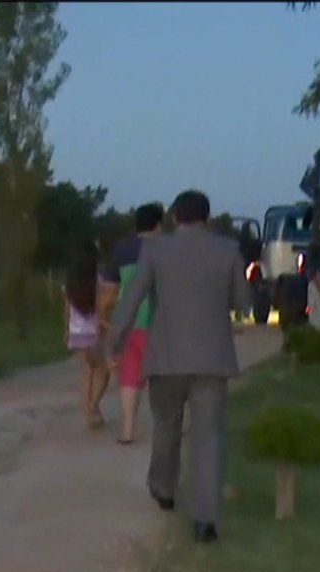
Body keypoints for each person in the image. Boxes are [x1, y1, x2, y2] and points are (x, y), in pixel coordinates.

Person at [107, 190, 251, 544]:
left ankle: (164, 488)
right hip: (212, 360)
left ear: (174, 217)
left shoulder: (156, 250)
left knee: (167, 427)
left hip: (166, 357)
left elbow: (133, 297)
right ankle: (205, 520)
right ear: (207, 217)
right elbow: (244, 304)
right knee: (208, 437)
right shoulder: (228, 250)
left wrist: (114, 341)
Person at [100, 203, 164, 445]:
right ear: (158, 224)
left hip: (130, 322)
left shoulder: (122, 250)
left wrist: (104, 316)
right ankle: (164, 429)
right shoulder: (164, 249)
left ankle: (127, 429)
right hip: (159, 323)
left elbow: (110, 289)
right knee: (162, 378)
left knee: (129, 377)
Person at [64, 239, 111, 430]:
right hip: (93, 332)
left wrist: (66, 329)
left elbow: (67, 308)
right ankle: (93, 406)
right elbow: (100, 307)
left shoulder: (70, 281)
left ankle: (89, 411)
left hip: (76, 332)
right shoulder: (97, 280)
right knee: (103, 371)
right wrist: (105, 323)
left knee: (87, 373)